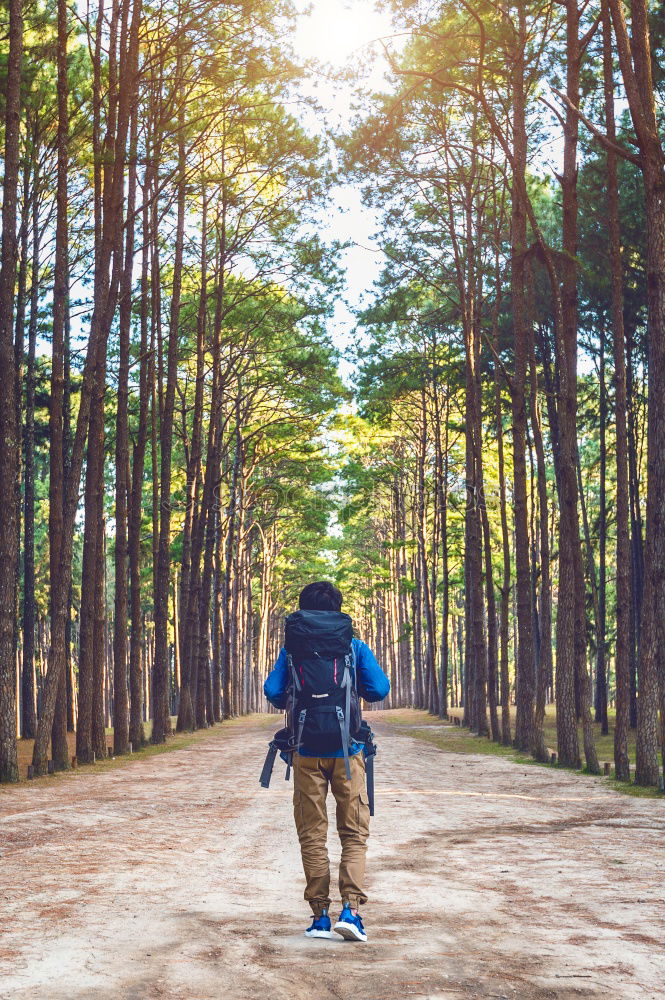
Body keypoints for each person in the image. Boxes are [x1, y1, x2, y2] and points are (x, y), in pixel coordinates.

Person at [264, 581, 390, 943]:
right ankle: (351, 911)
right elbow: (379, 690)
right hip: (348, 752)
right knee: (353, 833)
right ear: (337, 609)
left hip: (305, 752)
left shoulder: (292, 648)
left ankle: (319, 917)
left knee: (312, 835)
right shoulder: (354, 647)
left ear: (303, 610)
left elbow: (273, 692)